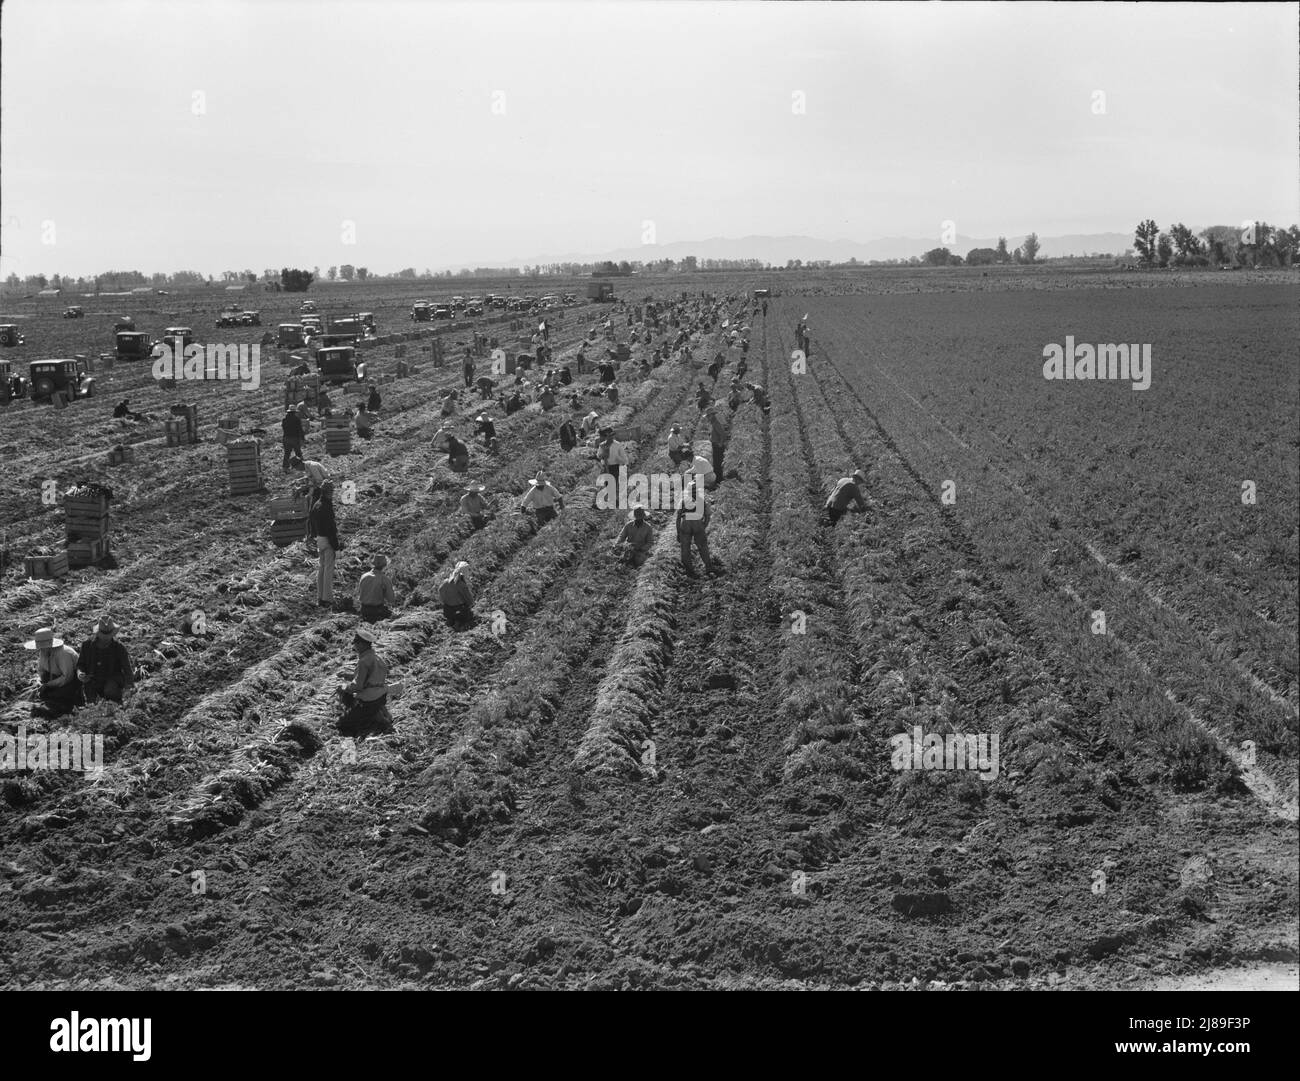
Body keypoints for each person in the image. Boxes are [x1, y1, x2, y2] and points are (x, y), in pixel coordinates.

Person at [337, 627, 391, 735]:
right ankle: (378, 711)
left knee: (341, 724)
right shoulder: (377, 658)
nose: (354, 646)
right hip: (380, 697)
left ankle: (374, 717)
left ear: (362, 644)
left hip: (368, 701)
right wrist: (347, 675)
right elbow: (369, 678)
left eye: (356, 643)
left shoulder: (363, 661)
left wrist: (343, 687)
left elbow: (358, 687)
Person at [25, 627, 84, 718]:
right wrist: (40, 681)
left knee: (55, 695)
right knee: (39, 691)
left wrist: (48, 685)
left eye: (43, 646)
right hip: (54, 677)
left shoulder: (63, 653)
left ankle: (68, 706)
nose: (41, 649)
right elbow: (41, 670)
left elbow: (67, 677)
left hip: (72, 680)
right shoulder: (44, 651)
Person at [76, 616, 134, 704]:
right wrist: (80, 674)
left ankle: (115, 701)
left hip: (112, 679)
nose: (106, 639)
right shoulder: (87, 646)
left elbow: (127, 669)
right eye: (103, 636)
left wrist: (128, 686)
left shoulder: (119, 648)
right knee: (91, 702)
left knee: (110, 691)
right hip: (92, 680)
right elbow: (80, 664)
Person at [309, 480, 342, 608]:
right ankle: (327, 598)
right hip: (327, 541)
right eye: (332, 491)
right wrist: (336, 547)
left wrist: (313, 536)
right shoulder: (326, 507)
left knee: (321, 568)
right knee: (328, 569)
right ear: (329, 492)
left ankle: (320, 597)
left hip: (319, 539)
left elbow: (310, 521)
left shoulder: (316, 504)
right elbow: (331, 529)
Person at [677, 494, 718, 578]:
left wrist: (678, 532)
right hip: (697, 522)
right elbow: (707, 516)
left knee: (685, 548)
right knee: (702, 546)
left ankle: (690, 571)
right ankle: (708, 568)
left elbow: (678, 518)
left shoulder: (683, 501)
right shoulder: (702, 501)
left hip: (686, 522)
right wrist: (703, 526)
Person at [357, 554, 397, 622]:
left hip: (363, 609)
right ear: (384, 566)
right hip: (377, 610)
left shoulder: (363, 576)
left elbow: (359, 592)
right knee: (395, 616)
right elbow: (391, 600)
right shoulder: (385, 579)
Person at [438, 561, 475, 630]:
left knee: (452, 612)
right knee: (468, 613)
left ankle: (451, 619)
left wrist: (444, 602)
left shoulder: (445, 582)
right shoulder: (461, 585)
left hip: (447, 611)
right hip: (460, 612)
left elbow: (440, 591)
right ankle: (458, 622)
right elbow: (470, 601)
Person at [704, 404, 729, 482]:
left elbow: (723, 434)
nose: (707, 418)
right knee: (716, 463)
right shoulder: (713, 423)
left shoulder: (716, 424)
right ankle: (718, 479)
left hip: (718, 446)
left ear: (712, 415)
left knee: (717, 464)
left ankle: (719, 480)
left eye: (708, 416)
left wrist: (720, 444)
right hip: (715, 445)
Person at [282, 404, 306, 471]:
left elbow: (284, 428)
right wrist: (302, 438)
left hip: (286, 438)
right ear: (294, 412)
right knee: (298, 453)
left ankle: (285, 468)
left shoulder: (284, 420)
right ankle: (302, 466)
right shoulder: (296, 419)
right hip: (294, 438)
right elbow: (300, 429)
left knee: (287, 453)